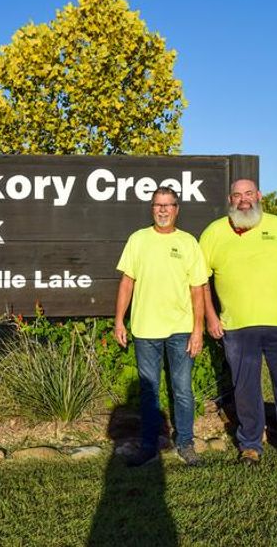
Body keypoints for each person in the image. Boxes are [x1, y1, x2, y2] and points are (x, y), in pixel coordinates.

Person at [200, 179, 277, 470]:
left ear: (259, 196)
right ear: (230, 199)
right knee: (245, 389)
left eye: (249, 194)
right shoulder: (214, 232)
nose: (244, 200)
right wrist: (210, 317)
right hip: (237, 327)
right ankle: (251, 446)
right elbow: (200, 281)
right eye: (237, 195)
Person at [114, 187, 208, 467]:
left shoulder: (189, 242)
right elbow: (127, 282)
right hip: (145, 329)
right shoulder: (138, 240)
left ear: (177, 209)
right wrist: (119, 320)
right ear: (152, 208)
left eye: (168, 205)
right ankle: (148, 447)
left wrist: (198, 329)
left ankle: (186, 444)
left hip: (181, 329)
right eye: (158, 205)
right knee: (149, 391)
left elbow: (198, 289)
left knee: (182, 389)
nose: (163, 210)